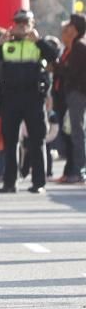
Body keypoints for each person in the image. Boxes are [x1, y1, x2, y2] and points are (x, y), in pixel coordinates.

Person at [0, 9, 57, 194]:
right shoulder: (7, 43)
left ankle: (38, 183)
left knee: (37, 141)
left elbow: (53, 56)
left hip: (33, 98)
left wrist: (39, 41)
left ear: (32, 24)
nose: (21, 25)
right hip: (10, 99)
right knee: (10, 142)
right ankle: (10, 183)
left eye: (25, 22)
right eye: (18, 22)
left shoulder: (39, 43)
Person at [53, 13, 86, 184]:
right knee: (73, 131)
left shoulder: (79, 46)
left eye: (71, 25)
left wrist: (60, 68)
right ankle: (74, 169)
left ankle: (79, 170)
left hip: (77, 93)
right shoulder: (73, 46)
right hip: (72, 93)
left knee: (77, 131)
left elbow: (73, 72)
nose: (68, 28)